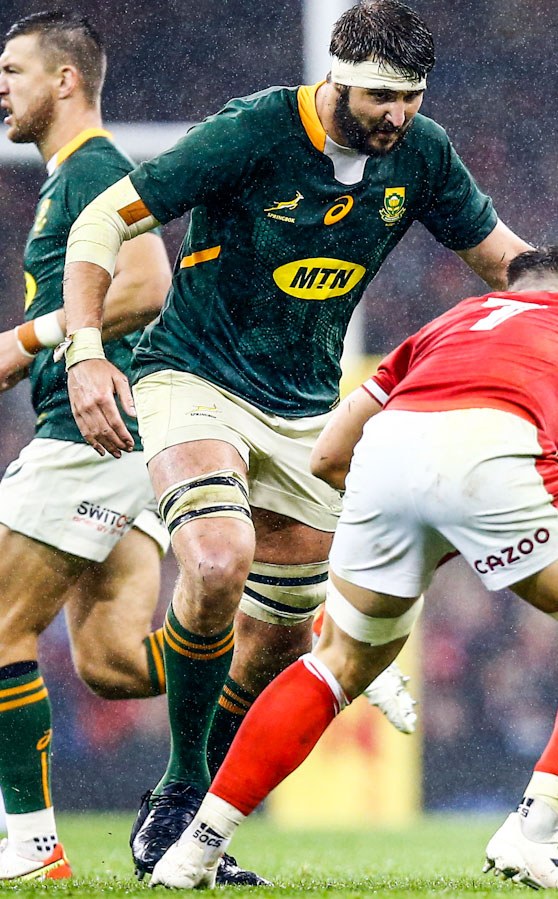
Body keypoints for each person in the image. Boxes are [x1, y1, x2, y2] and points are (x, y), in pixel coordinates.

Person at [56, 0, 531, 879]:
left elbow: (506, 261)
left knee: (275, 638)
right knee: (216, 560)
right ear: (337, 76)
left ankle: (193, 803)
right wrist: (85, 350)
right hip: (196, 378)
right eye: (382, 96)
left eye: (413, 97)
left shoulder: (422, 155)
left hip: (310, 408)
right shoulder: (254, 131)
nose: (398, 115)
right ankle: (180, 790)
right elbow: (102, 222)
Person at [148, 246, 558, 891]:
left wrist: (432, 521)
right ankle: (535, 831)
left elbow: (329, 456)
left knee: (337, 663)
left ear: (512, 287)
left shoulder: (449, 323)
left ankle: (194, 849)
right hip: (501, 449)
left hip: (387, 453)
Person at [0, 10, 171, 881]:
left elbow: (146, 282)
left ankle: (31, 844)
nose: (1, 87)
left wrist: (26, 339)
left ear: (65, 80)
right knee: (113, 662)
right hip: (123, 441)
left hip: (91, 434)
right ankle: (292, 637)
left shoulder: (95, 168)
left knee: (0, 625)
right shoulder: (70, 177)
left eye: (14, 70)